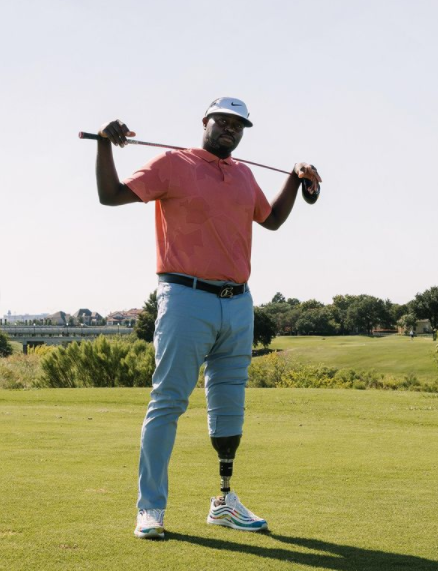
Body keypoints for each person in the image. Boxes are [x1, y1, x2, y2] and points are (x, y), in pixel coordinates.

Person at [95, 97, 322, 539]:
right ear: (205, 121)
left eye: (238, 126)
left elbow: (271, 220)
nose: (230, 130)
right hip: (185, 297)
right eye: (223, 121)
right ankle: (151, 508)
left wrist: (296, 180)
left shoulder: (243, 174)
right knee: (168, 403)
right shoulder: (172, 164)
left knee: (230, 409)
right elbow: (110, 195)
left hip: (238, 303)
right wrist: (104, 143)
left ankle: (223, 502)